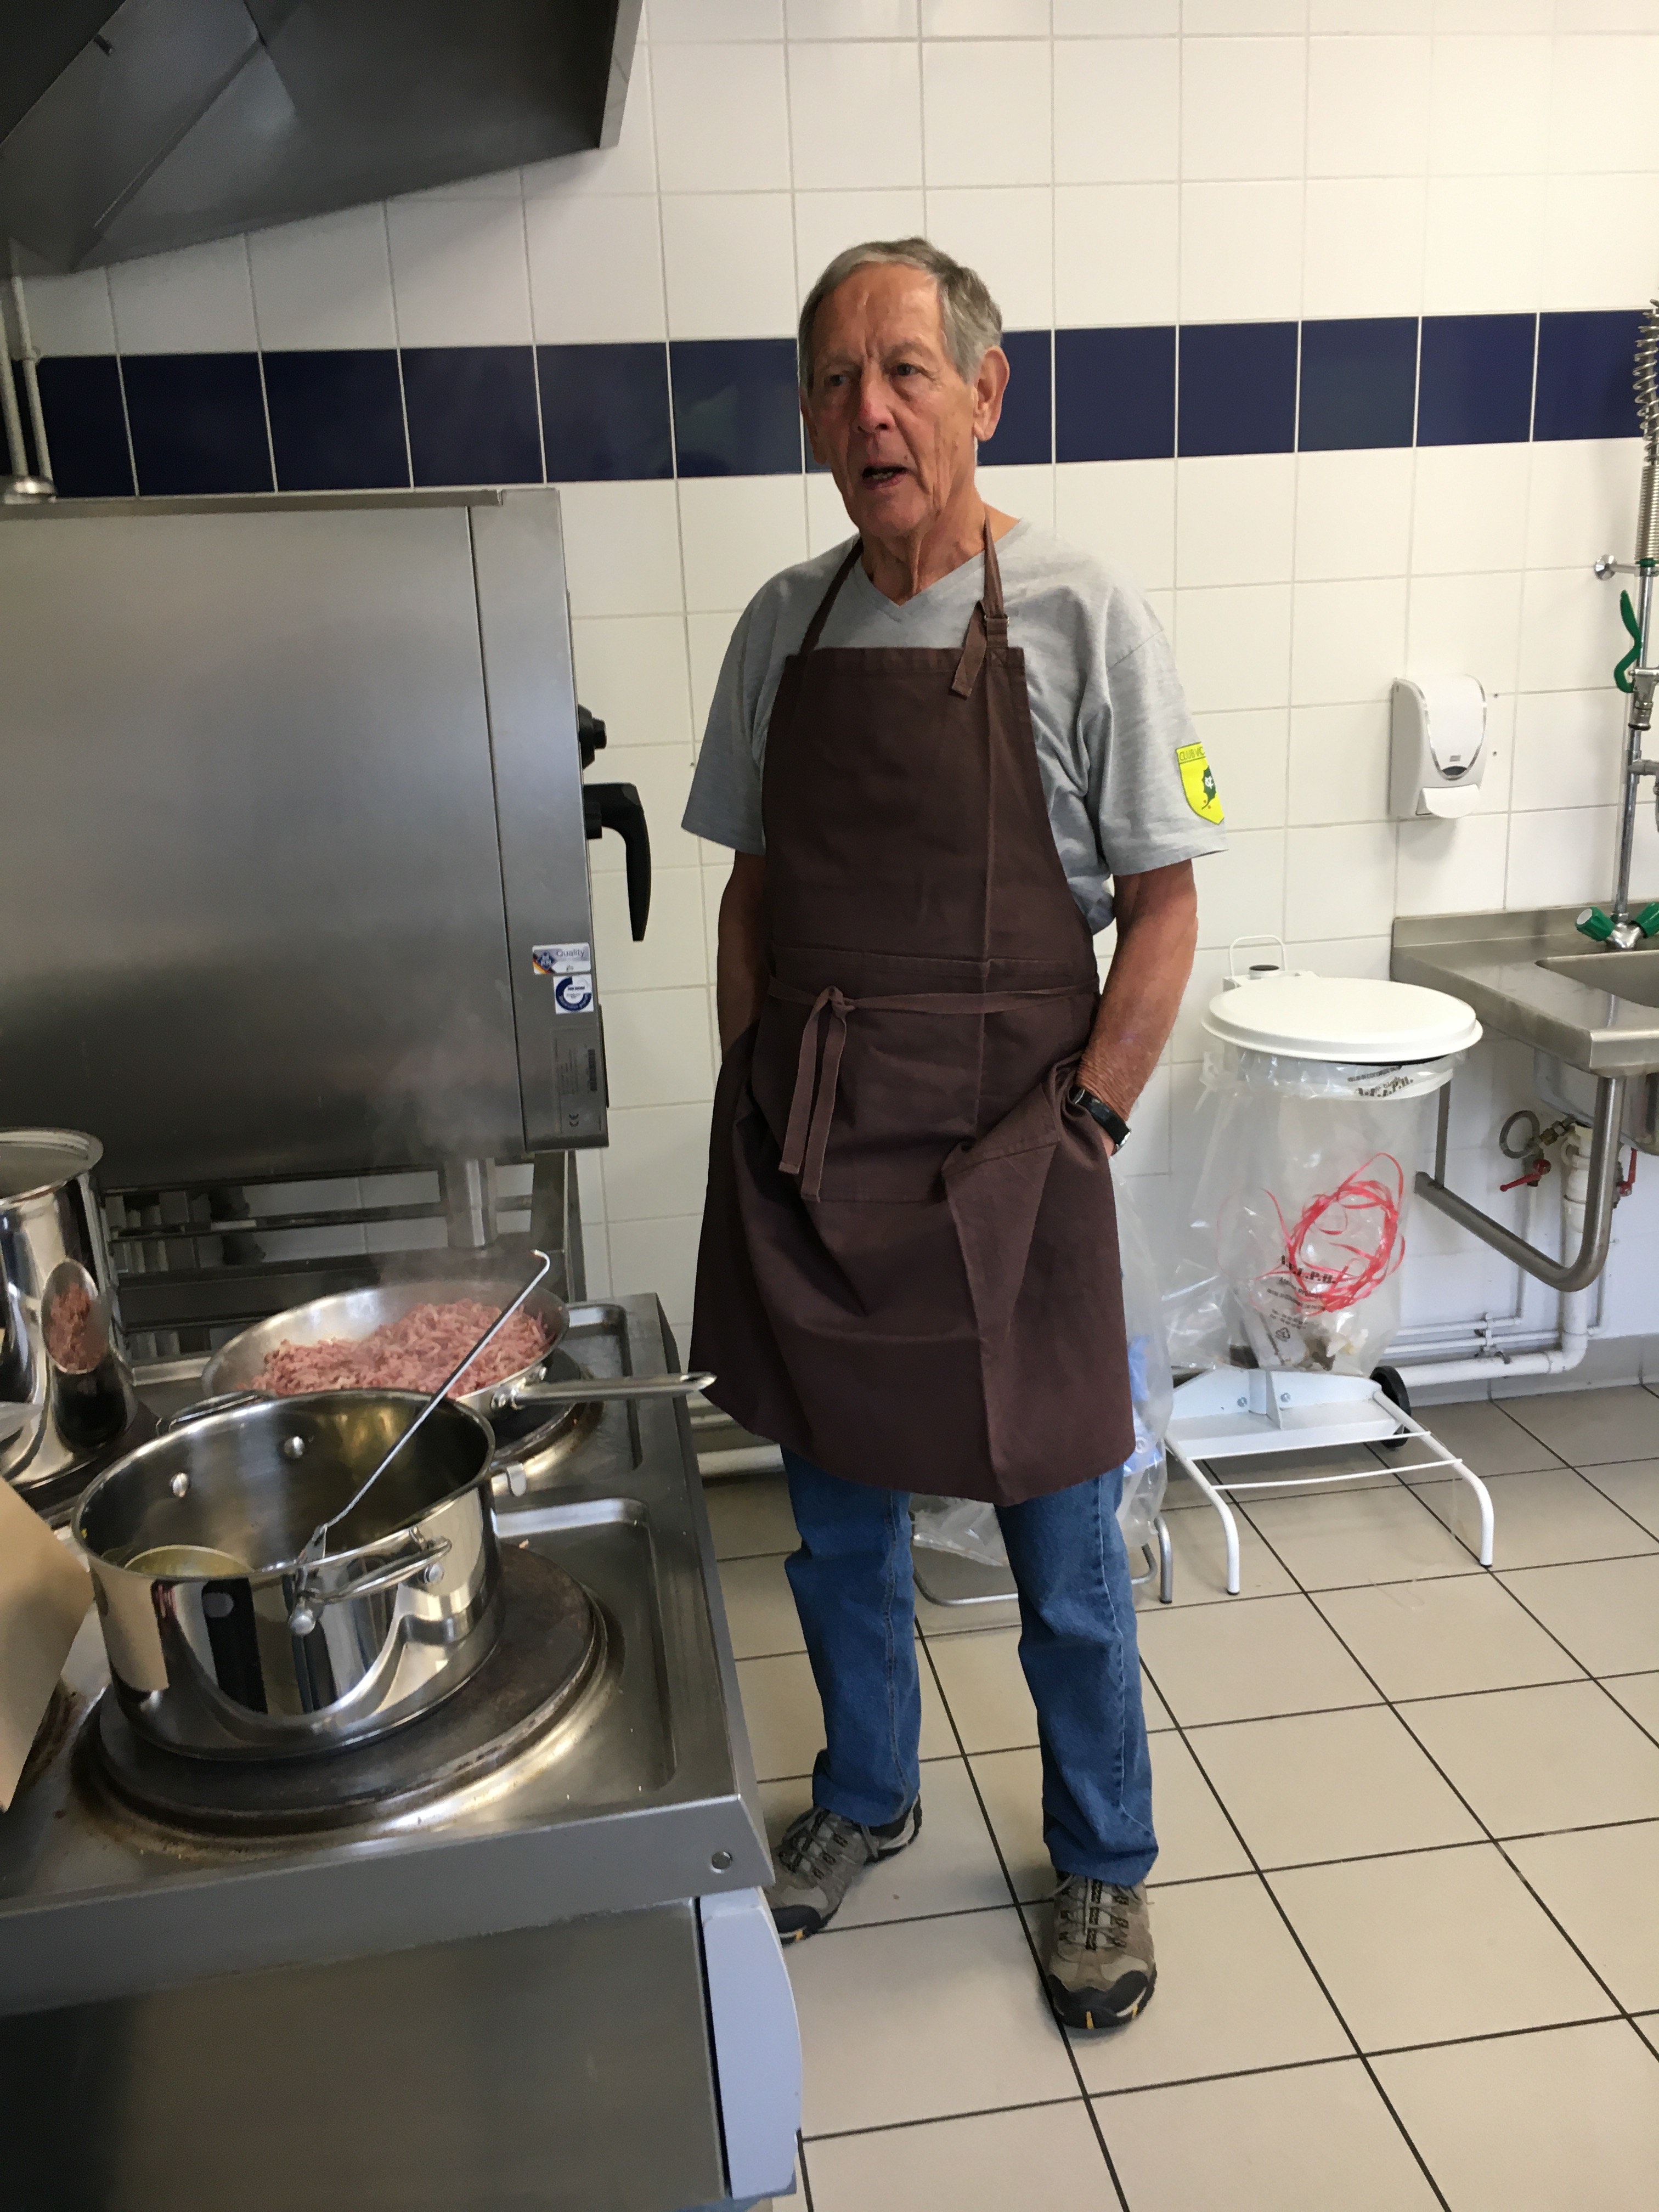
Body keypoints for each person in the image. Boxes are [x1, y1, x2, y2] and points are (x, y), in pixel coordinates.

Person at [682, 238, 1225, 2030]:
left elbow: (1162, 905)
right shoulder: (785, 624)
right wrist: (755, 1088)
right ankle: (864, 1794)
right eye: (838, 381)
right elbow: (753, 890)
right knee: (837, 1532)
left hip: (1015, 1157)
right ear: (810, 418)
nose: (873, 413)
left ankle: (1104, 1859)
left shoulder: (1080, 613)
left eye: (907, 372)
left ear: (985, 393)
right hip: (822, 1156)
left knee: (1065, 1559)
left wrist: (1088, 1122)